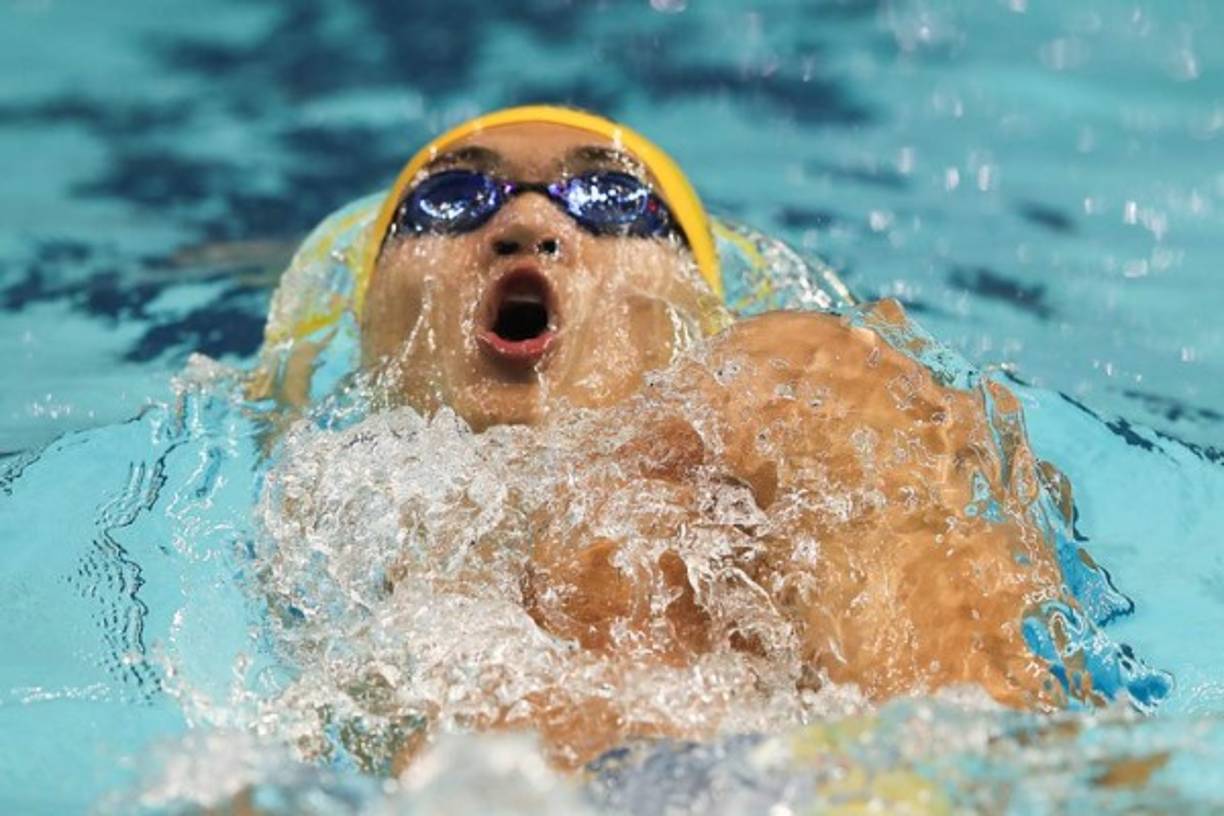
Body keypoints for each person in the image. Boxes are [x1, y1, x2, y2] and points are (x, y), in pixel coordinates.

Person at [259, 106, 1150, 770]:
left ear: (698, 305)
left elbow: (991, 758)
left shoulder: (792, 384)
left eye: (614, 202)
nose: (527, 226)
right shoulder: (326, 541)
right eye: (451, 199)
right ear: (366, 324)